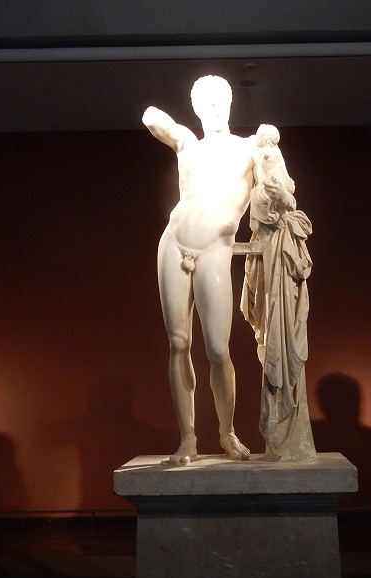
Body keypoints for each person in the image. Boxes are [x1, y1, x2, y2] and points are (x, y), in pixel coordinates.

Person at [143, 75, 292, 465]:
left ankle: (226, 432)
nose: (213, 108)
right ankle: (188, 438)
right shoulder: (188, 144)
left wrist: (270, 148)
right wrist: (156, 116)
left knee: (216, 348)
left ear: (229, 103)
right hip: (174, 243)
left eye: (219, 101)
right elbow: (153, 119)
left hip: (215, 247)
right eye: (204, 102)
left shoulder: (248, 149)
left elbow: (282, 189)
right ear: (195, 108)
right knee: (178, 343)